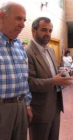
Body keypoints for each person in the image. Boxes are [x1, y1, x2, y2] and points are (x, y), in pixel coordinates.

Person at [25, 17, 72, 140]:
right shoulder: (27, 52)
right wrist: (54, 81)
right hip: (40, 110)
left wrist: (62, 74)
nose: (48, 34)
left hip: (55, 106)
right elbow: (29, 82)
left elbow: (52, 73)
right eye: (44, 30)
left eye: (50, 31)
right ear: (34, 31)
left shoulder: (50, 50)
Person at [0, 1, 32, 140]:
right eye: (18, 18)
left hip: (20, 107)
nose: (23, 24)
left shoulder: (19, 45)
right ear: (2, 16)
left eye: (24, 20)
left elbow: (24, 78)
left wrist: (27, 105)